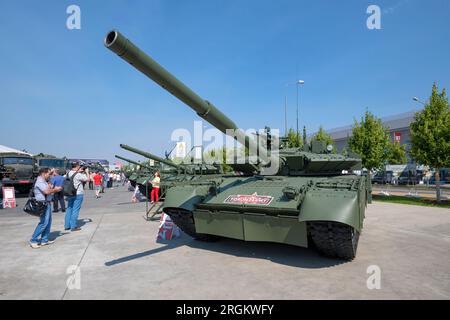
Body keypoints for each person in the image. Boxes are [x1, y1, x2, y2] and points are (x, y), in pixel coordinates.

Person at [29, 168, 63, 249]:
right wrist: (55, 189)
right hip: (42, 204)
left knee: (48, 222)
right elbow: (47, 192)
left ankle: (44, 240)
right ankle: (33, 240)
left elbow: (48, 188)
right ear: (44, 174)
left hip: (46, 203)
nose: (50, 176)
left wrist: (51, 186)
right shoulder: (40, 181)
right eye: (49, 174)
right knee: (43, 223)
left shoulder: (44, 180)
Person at [65, 162, 89, 232]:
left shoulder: (68, 173)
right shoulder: (78, 174)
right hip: (78, 193)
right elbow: (88, 179)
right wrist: (87, 172)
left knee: (69, 208)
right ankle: (73, 226)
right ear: (77, 166)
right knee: (75, 210)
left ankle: (67, 226)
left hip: (69, 193)